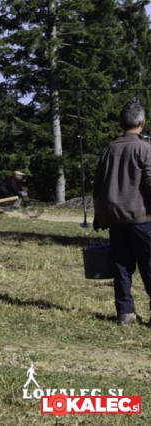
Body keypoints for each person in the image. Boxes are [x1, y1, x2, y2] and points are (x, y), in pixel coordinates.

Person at [93, 101, 151, 326]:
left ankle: (125, 312)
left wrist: (100, 215)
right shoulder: (144, 149)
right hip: (141, 218)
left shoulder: (109, 149)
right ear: (142, 124)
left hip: (115, 219)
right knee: (148, 265)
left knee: (121, 267)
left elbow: (98, 185)